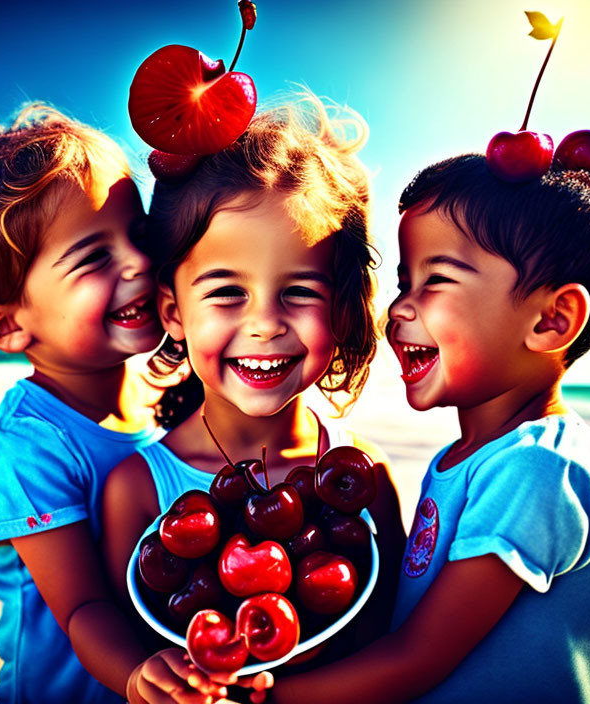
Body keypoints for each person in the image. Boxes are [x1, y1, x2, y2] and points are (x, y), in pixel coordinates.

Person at [228, 154, 590, 703]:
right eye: (404, 282)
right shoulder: (469, 455)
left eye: (435, 280)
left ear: (550, 320)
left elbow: (416, 658)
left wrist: (266, 696)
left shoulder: (537, 466)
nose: (398, 309)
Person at [101, 94, 407, 703]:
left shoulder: (366, 475)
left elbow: (384, 633)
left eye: (298, 291)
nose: (265, 323)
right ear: (173, 311)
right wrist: (153, 679)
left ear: (341, 310)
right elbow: (130, 641)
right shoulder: (136, 490)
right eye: (226, 293)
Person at [0, 103, 172, 703]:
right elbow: (84, 606)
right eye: (95, 258)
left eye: (140, 234)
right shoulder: (26, 450)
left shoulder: (159, 402)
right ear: (8, 328)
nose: (140, 262)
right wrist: (136, 675)